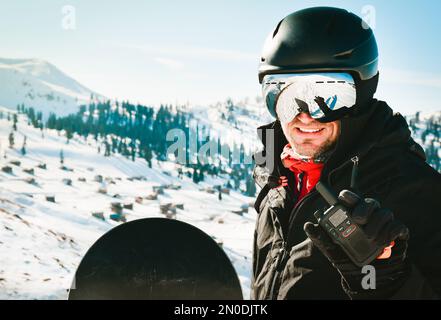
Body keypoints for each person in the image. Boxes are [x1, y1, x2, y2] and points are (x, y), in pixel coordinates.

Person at [251, 6, 441, 299]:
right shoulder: (274, 173)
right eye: (283, 92)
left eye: (326, 95)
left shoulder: (417, 190)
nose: (303, 116)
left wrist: (387, 280)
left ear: (362, 95)